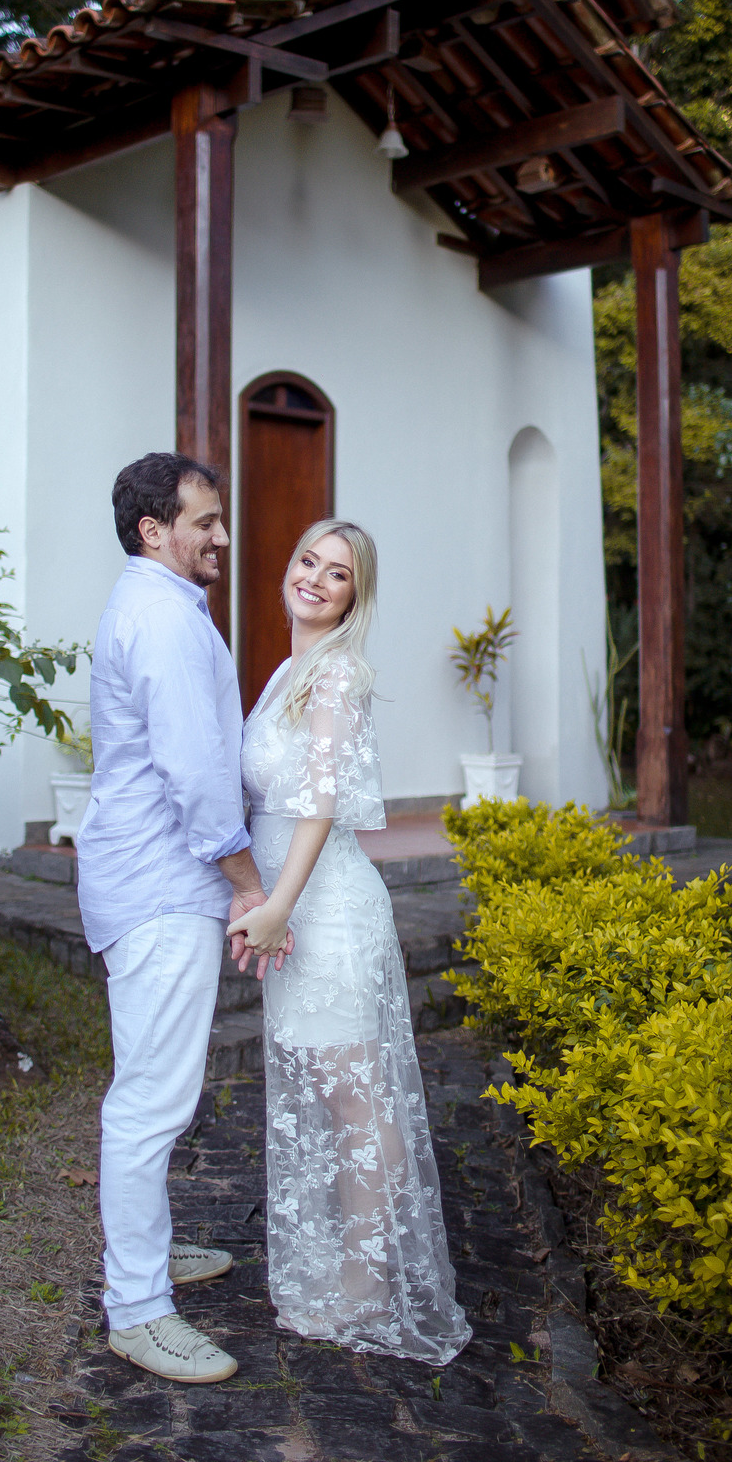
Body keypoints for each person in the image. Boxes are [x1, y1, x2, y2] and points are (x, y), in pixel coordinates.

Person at [227, 520, 471, 1362]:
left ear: (354, 596)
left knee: (356, 1096)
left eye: (338, 574)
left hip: (326, 912)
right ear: (288, 568)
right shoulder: (288, 673)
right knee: (335, 1089)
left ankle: (371, 1282)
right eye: (307, 561)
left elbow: (318, 806)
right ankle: (348, 1262)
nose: (316, 580)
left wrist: (279, 907)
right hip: (295, 907)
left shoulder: (337, 677)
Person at [77, 451, 289, 1386]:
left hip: (159, 883)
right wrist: (249, 885)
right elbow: (197, 777)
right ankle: (137, 1309)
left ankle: (149, 1259)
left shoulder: (164, 608)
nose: (222, 538)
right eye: (205, 522)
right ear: (153, 530)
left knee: (159, 1088)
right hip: (160, 887)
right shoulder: (160, 618)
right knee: (152, 1099)